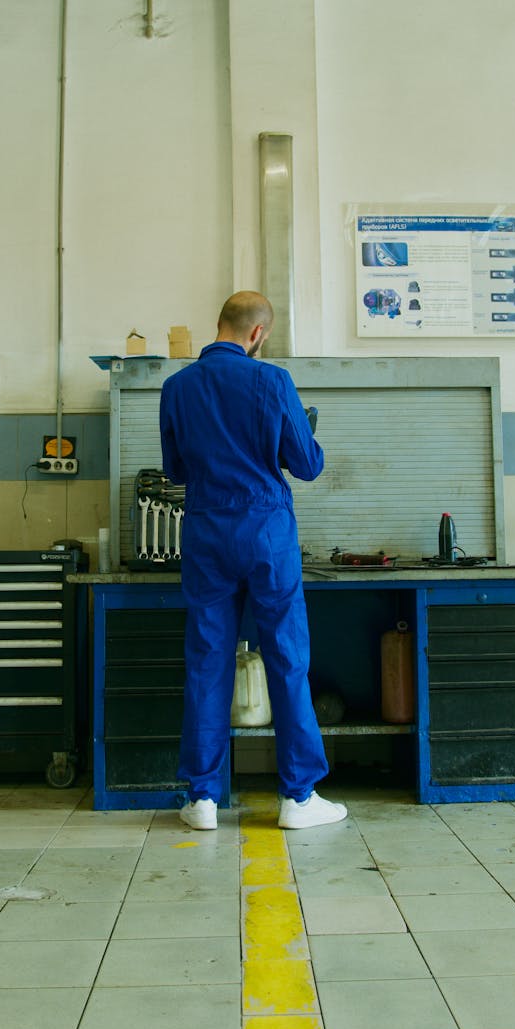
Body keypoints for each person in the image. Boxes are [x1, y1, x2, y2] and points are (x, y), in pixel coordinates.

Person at [159, 290, 347, 831]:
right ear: (258, 335)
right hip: (265, 531)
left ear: (219, 324)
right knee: (286, 657)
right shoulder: (272, 382)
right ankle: (299, 797)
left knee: (207, 659)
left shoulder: (176, 388)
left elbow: (175, 470)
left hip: (205, 533)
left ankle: (202, 799)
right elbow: (306, 465)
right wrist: (304, 429)